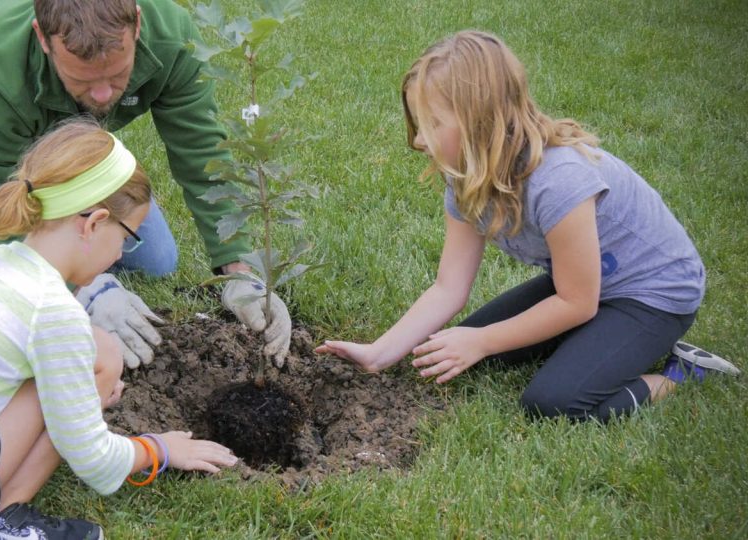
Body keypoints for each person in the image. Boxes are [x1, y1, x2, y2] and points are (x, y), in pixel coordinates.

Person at [315, 31, 740, 423]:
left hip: (654, 295)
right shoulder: (464, 177)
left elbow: (577, 303)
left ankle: (683, 372)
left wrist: (483, 340)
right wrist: (378, 353)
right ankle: (596, 343)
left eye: (431, 124)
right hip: (585, 286)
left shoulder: (559, 180)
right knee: (466, 350)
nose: (418, 141)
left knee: (552, 402)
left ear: (481, 120)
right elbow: (448, 288)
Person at [0, 120, 238, 540]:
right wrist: (160, 449)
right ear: (94, 223)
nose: (120, 254)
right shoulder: (53, 312)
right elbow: (94, 459)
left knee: (98, 351)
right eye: (126, 239)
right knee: (98, 360)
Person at [0, 0, 291, 369]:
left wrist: (239, 268)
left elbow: (201, 152)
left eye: (116, 76)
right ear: (43, 38)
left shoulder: (173, 38)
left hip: (73, 139)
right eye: (83, 79)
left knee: (156, 260)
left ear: (137, 25)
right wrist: (84, 290)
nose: (103, 97)